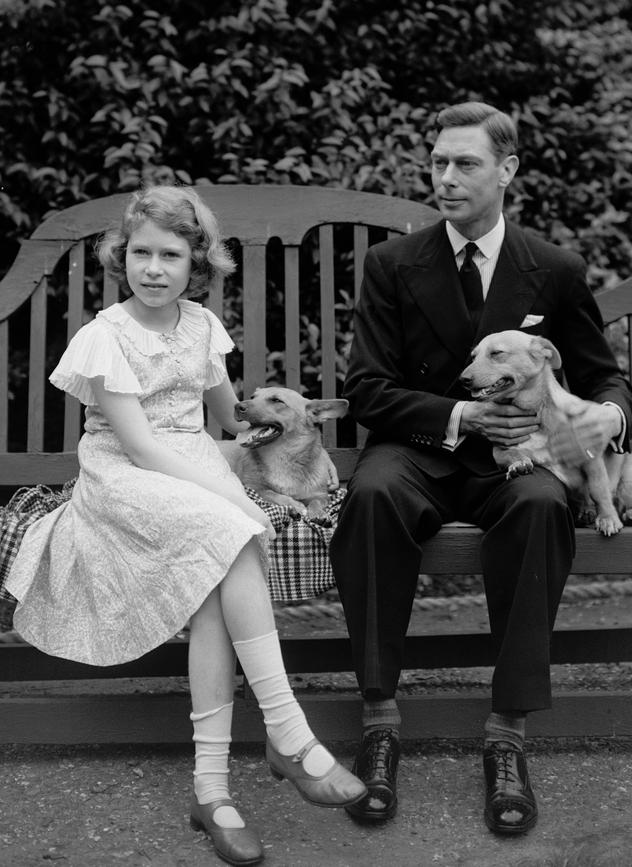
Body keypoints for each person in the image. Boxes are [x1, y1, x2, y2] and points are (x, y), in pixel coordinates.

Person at [6, 184, 365, 866]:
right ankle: (290, 736)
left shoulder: (201, 325)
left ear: (196, 263)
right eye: (140, 251)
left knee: (215, 593)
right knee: (230, 532)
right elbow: (141, 447)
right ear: (122, 257)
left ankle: (212, 790)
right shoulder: (105, 337)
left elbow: (230, 418)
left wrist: (290, 432)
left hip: (196, 468)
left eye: (170, 254)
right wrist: (234, 499)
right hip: (126, 477)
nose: (153, 267)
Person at [330, 102, 632, 834]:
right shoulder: (391, 265)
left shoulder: (553, 269)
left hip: (522, 455)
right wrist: (459, 415)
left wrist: (610, 416)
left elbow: (603, 376)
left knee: (539, 505)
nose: (446, 176)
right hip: (419, 448)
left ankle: (507, 735)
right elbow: (366, 388)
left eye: (465, 163)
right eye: (438, 162)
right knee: (369, 495)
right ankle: (379, 724)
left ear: (508, 170)